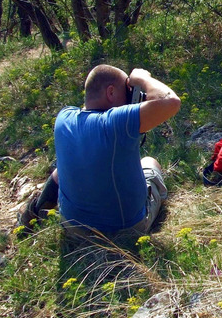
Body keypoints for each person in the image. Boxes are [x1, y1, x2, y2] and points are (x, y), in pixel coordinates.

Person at [18, 64, 181, 242]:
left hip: (73, 228)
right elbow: (171, 101)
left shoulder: (63, 117)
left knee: (63, 169)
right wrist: (143, 79)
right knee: (150, 163)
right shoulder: (118, 122)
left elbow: (90, 111)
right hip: (124, 231)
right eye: (127, 93)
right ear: (110, 92)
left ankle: (33, 214)